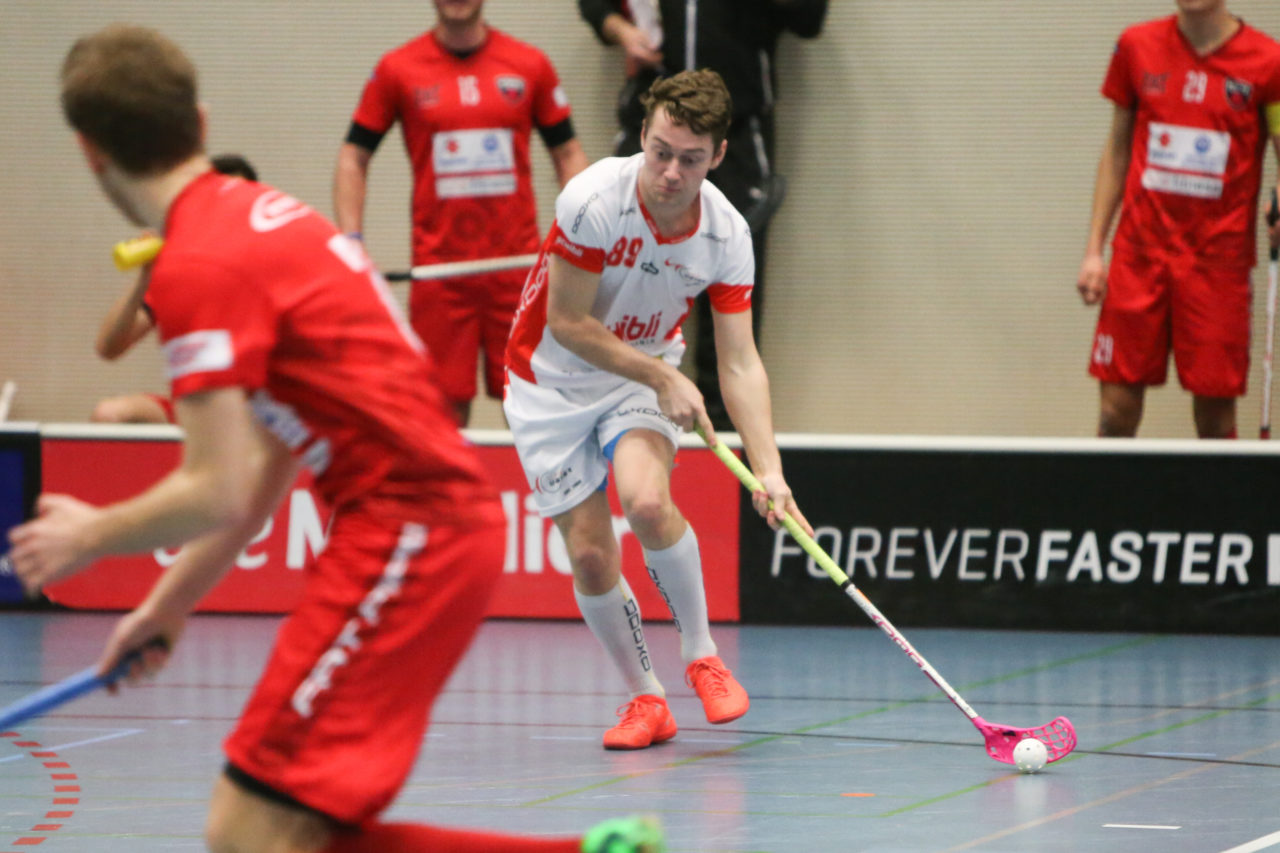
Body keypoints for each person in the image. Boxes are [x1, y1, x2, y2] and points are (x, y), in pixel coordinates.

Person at [10, 24, 662, 853]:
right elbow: (257, 477)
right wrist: (162, 607)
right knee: (283, 829)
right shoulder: (268, 217)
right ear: (201, 123)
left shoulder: (198, 267)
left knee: (248, 827)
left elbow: (210, 484)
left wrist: (87, 537)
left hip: (411, 535)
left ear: (89, 153)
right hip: (422, 533)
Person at [503, 69, 812, 750]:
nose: (670, 172)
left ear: (720, 155)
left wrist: (772, 471)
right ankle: (647, 698)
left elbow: (739, 362)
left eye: (691, 158)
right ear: (643, 135)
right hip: (547, 382)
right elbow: (567, 323)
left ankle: (702, 654)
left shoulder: (728, 235)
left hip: (632, 377)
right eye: (660, 151)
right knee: (589, 552)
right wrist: (662, 376)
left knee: (646, 502)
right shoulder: (591, 201)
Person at [334, 0, 590, 427]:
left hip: (517, 272)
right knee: (440, 416)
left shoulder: (530, 64)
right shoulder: (398, 68)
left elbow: (568, 153)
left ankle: (537, 496)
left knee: (533, 408)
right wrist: (351, 242)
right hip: (440, 277)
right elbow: (353, 157)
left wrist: (583, 233)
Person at [577, 0, 828, 431]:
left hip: (739, 130)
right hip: (653, 121)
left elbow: (809, 17)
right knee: (619, 283)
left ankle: (721, 435)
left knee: (728, 297)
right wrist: (619, 28)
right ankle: (619, 416)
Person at [1077, 0, 1280, 438]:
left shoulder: (1269, 61)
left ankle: (1217, 508)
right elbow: (1117, 150)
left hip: (1217, 267)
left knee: (1215, 419)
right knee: (1116, 411)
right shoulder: (1136, 46)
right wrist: (1094, 251)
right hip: (1139, 256)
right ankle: (1107, 506)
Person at [91, 154, 259, 425]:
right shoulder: (180, 272)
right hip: (192, 411)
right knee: (108, 415)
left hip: (260, 416)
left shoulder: (269, 266)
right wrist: (145, 276)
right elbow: (108, 348)